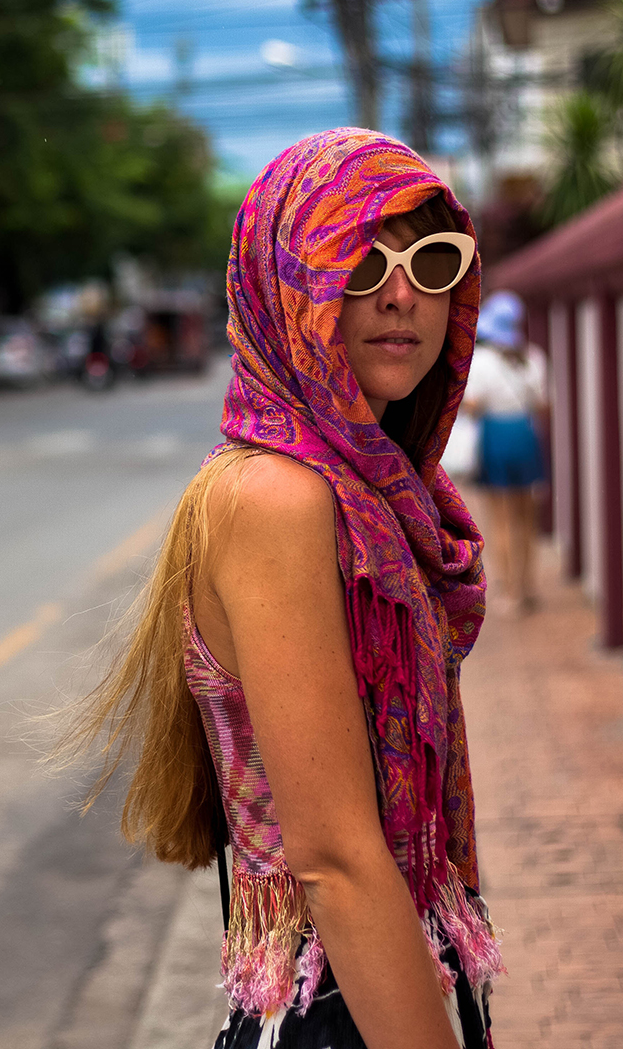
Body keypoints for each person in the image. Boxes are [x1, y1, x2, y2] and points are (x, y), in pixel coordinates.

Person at [63, 129, 501, 1048]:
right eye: (357, 261)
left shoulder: (387, 491)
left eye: (431, 261)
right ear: (287, 284)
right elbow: (337, 860)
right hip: (342, 1014)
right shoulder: (275, 496)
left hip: (389, 985)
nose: (399, 294)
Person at [460, 291, 547, 613]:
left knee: (500, 519)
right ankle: (528, 586)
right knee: (527, 517)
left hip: (496, 437)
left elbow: (473, 406)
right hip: (525, 436)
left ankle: (510, 591)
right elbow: (542, 405)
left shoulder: (481, 362)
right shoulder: (534, 358)